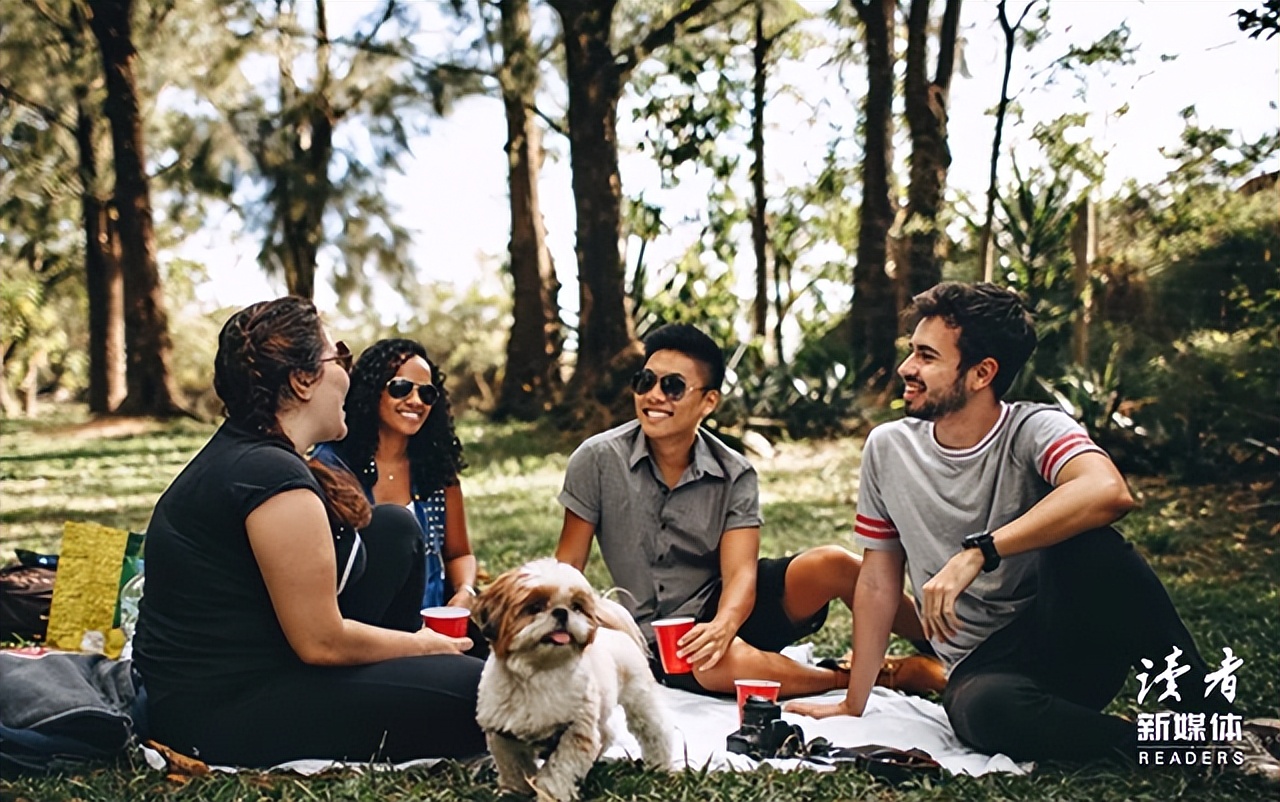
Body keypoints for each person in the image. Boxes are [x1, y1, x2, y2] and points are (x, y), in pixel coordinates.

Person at [786, 281, 1280, 773]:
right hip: (983, 671)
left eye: (926, 356)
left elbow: (1108, 491)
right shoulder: (889, 448)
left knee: (1094, 545)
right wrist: (855, 701)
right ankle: (1190, 748)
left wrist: (978, 552)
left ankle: (1213, 723)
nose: (906, 369)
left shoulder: (1034, 428)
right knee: (985, 713)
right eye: (911, 351)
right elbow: (877, 580)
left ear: (982, 373)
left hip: (1065, 636)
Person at [133, 297, 485, 767]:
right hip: (222, 710)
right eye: (338, 356)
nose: (348, 372)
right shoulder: (270, 478)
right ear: (302, 381)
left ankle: (415, 676)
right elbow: (321, 642)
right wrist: (426, 644)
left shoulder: (257, 453)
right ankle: (423, 677)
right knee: (486, 695)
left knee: (394, 528)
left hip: (268, 662)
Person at [555, 323, 944, 698]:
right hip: (660, 637)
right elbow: (568, 565)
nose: (654, 395)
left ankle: (950, 647)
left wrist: (724, 625)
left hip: (730, 604)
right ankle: (870, 676)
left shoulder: (734, 472)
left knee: (834, 564)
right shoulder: (597, 459)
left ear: (708, 401)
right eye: (645, 381)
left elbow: (741, 572)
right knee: (715, 665)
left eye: (672, 386)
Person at [313, 339, 479, 614]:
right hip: (362, 630)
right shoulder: (331, 466)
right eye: (401, 388)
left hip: (433, 628)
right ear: (371, 391)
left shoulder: (436, 469)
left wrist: (465, 591)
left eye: (427, 394)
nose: (415, 401)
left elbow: (458, 553)